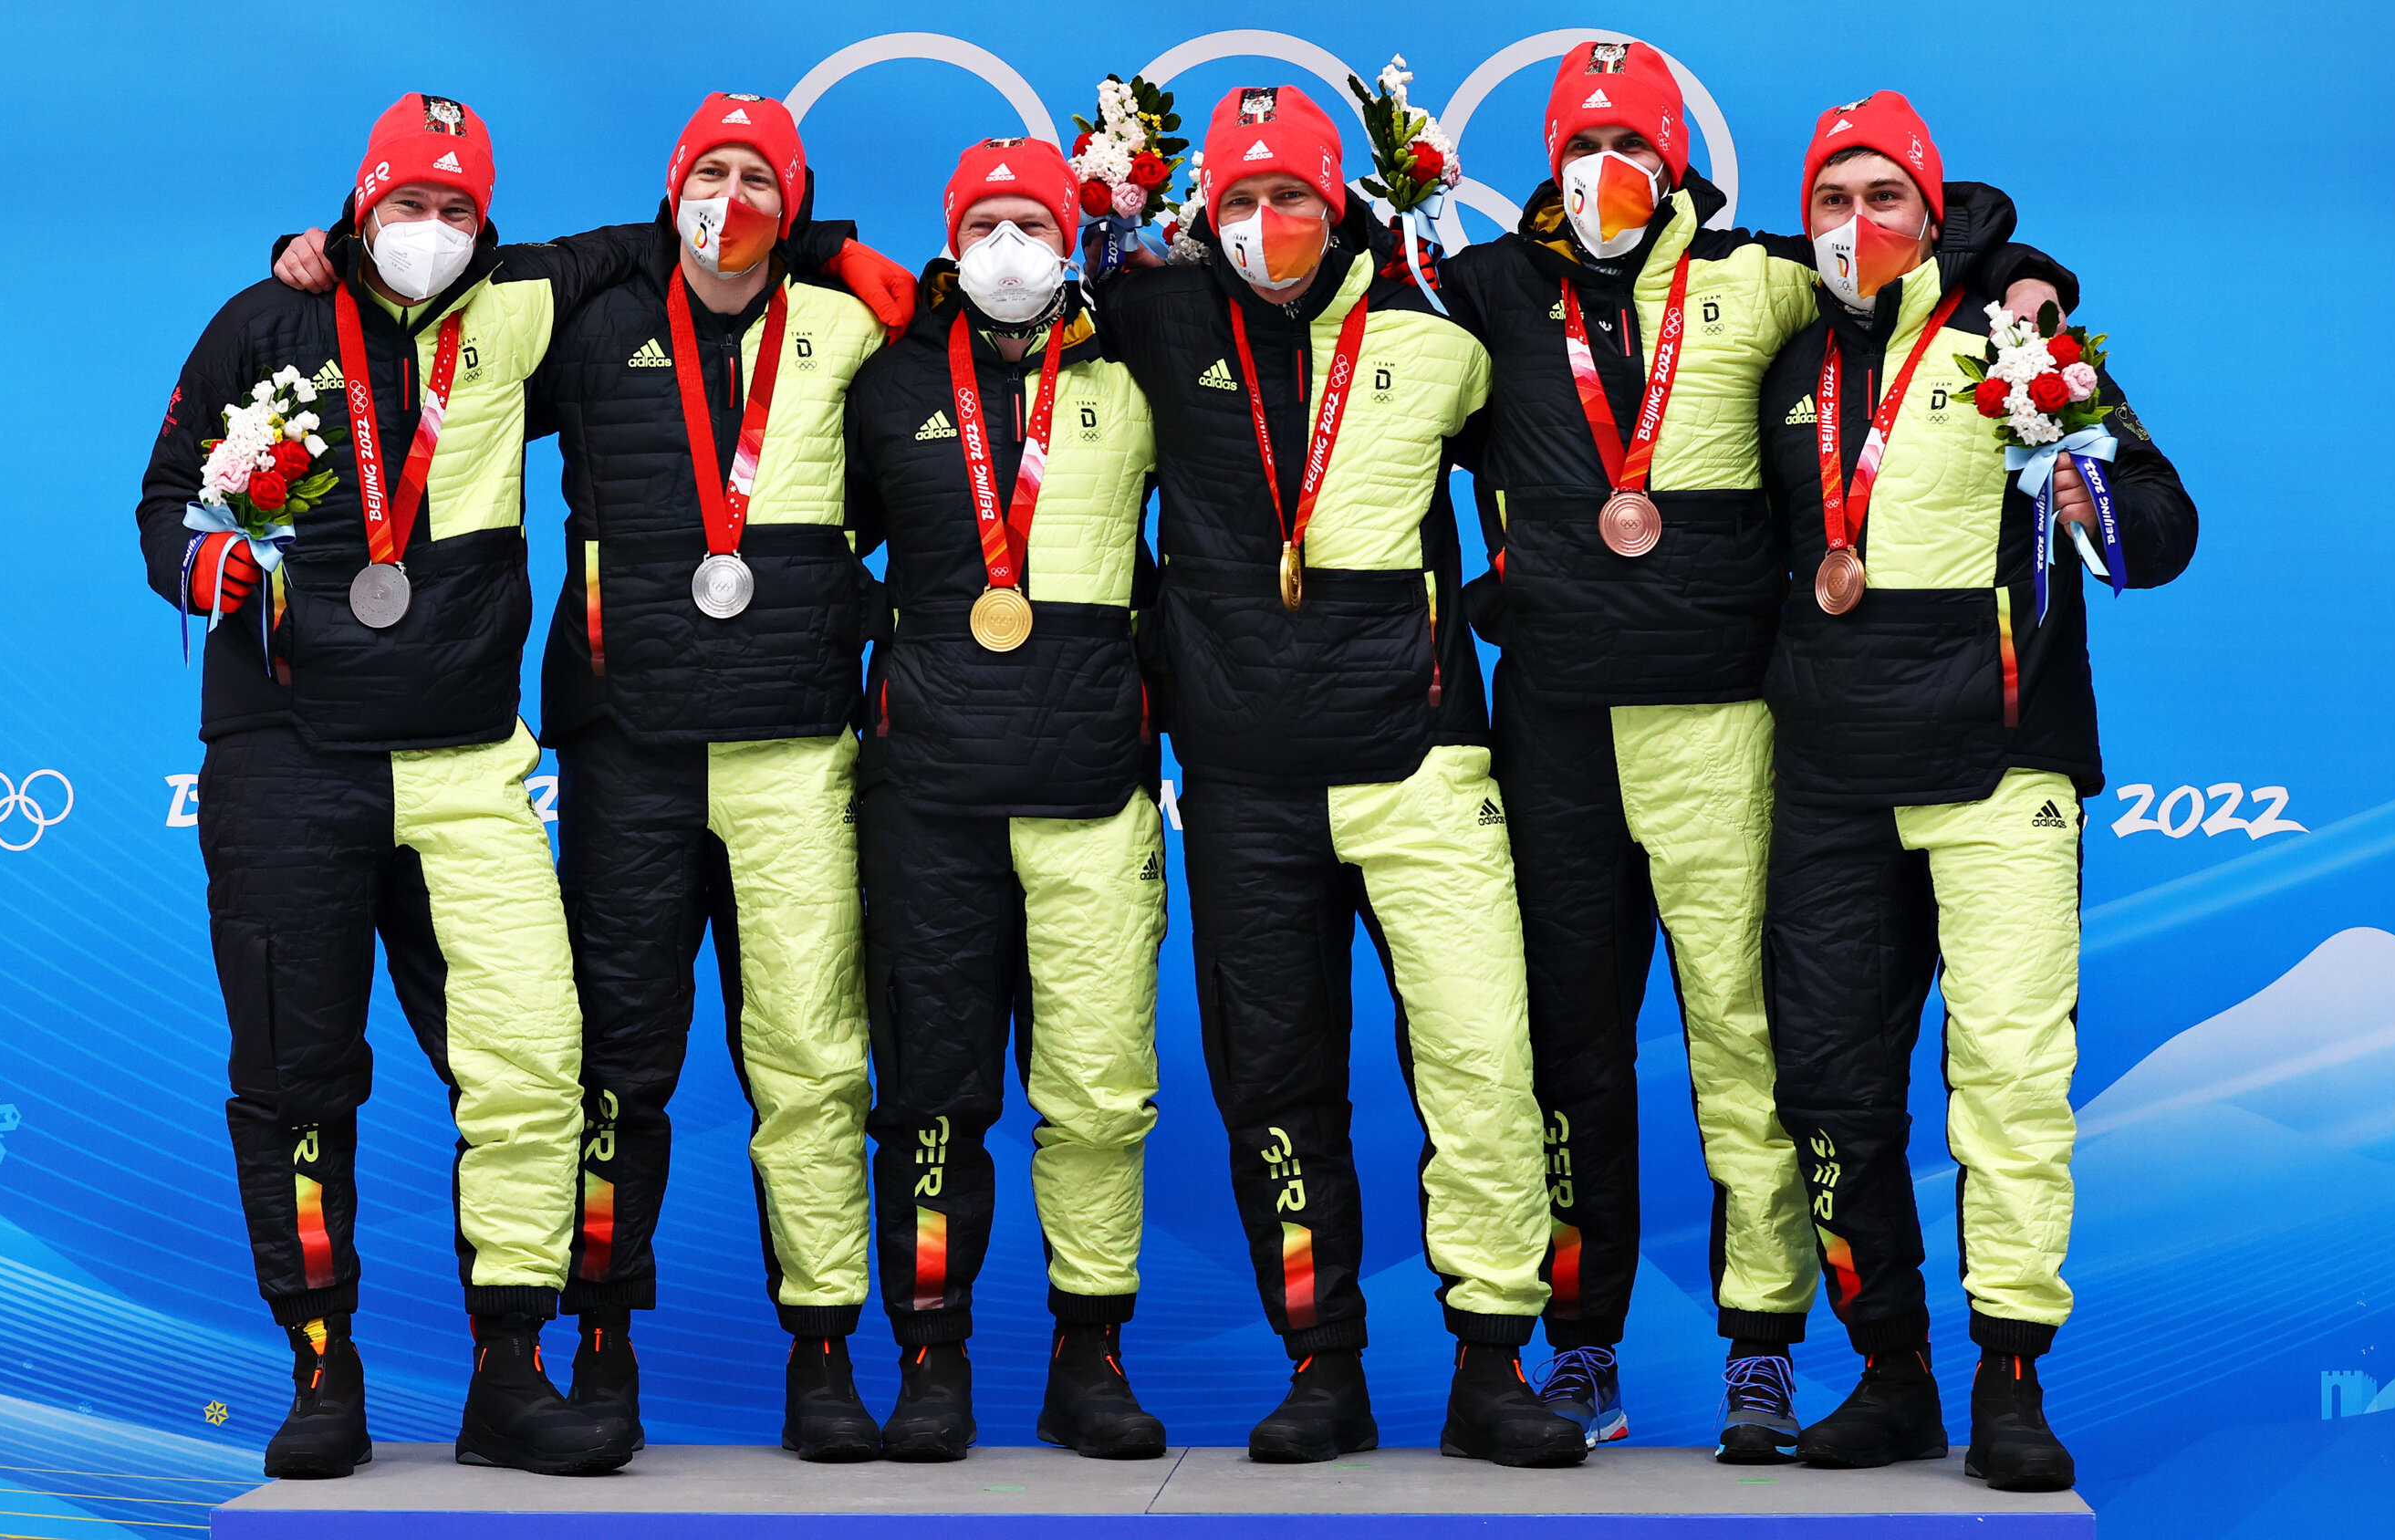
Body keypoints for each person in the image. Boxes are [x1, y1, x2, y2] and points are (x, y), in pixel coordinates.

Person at [1432, 41, 2072, 1460]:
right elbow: (1333, 325)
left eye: (1636, 146)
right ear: (1547, 164)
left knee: (1744, 1043)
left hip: (1723, 723)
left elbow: (1919, 252)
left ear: (1679, 163)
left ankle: (1763, 1345)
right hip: (1555, 729)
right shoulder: (1485, 292)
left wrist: (2035, 281)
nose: (1609, 172)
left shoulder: (1766, 277)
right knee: (1570, 1049)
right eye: (1583, 145)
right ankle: (1579, 1345)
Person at [269, 94, 916, 1460]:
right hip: (629, 751)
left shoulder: (847, 329)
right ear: (673, 185)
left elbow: (969, 401)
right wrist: (320, 253)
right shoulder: (588, 324)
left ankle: (825, 1354)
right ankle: (602, 1341)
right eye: (709, 173)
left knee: (811, 1062)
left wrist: (849, 256)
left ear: (790, 202)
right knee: (620, 1068)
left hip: (797, 749)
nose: (726, 199)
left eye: (757, 179)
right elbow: (426, 349)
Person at [136, 93, 642, 1478]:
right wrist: (217, 565)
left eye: (456, 210)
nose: (431, 232)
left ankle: (510, 1373)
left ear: (487, 223)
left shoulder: (523, 302)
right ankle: (320, 1372)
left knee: (537, 1063)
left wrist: (846, 249)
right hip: (284, 760)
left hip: (470, 766)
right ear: (359, 208)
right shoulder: (264, 320)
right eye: (407, 205)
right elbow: (163, 502)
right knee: (297, 1079)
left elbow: (672, 243)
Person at [1094, 83, 1583, 1469]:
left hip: (1420, 759)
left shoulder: (1442, 327)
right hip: (1242, 778)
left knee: (1482, 1062)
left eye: (1291, 197)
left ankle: (1493, 1362)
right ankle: (1322, 1363)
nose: (1265, 226)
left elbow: (1584, 439)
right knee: (1277, 1082)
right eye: (1239, 202)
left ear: (1343, 202)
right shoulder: (1155, 314)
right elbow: (985, 340)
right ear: (1204, 215)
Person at [1753, 90, 2194, 1491]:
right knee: (1826, 1083)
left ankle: (2011, 1379)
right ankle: (1891, 1371)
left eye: (1887, 197)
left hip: (2002, 766)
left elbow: (2166, 528)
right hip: (1828, 775)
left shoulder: (2021, 340)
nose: (1856, 225)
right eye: (1834, 199)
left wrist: (2091, 500)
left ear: (1934, 211)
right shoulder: (1788, 365)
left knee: (2007, 1077)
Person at [842, 137, 1169, 1463]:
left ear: (1073, 233)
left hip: (1092, 790)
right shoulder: (888, 381)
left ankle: (1088, 1357)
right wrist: (910, 661)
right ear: (951, 240)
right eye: (986, 224)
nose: (1011, 249)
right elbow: (811, 549)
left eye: (1035, 221)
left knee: (1098, 1092)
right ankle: (933, 1356)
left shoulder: (1135, 373)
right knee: (930, 1090)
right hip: (930, 795)